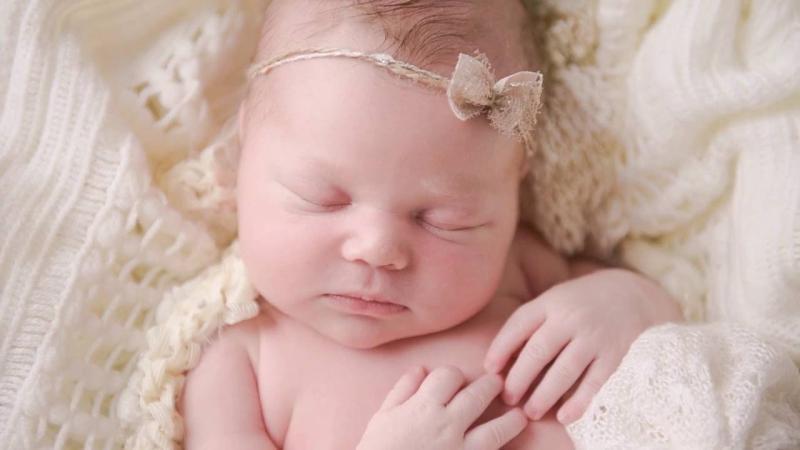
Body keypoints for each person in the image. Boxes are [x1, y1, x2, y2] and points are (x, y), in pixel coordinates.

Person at [179, 0, 683, 448]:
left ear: (513, 188)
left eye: (445, 220)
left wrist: (626, 304)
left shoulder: (519, 272)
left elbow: (671, 320)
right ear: (246, 144)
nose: (377, 248)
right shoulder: (238, 363)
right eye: (323, 199)